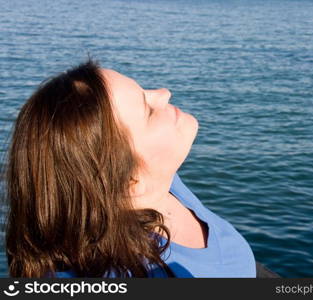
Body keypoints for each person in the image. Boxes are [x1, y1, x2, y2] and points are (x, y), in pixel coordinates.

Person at [4, 59, 279, 278]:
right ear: (130, 183)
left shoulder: (162, 182)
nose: (164, 93)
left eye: (144, 92)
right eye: (148, 110)